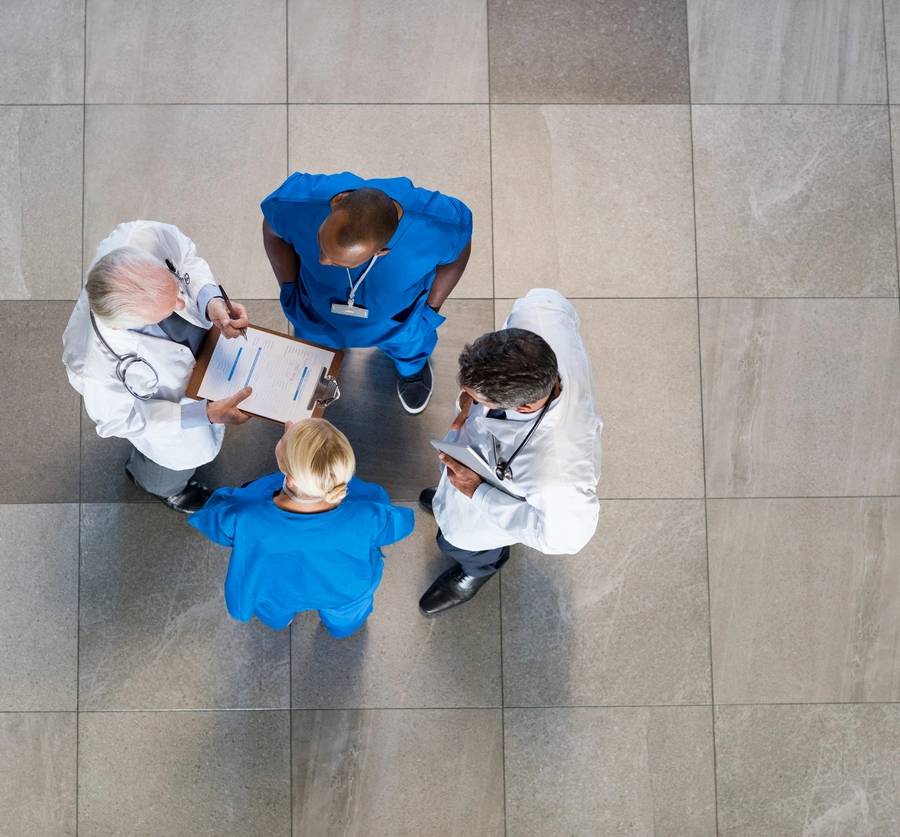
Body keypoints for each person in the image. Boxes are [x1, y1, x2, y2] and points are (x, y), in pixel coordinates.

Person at [418, 289, 603, 615]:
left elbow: (565, 539)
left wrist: (478, 493)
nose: (467, 398)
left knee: (460, 542)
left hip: (489, 508)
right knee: (450, 502)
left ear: (526, 406)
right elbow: (554, 302)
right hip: (478, 457)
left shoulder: (558, 476)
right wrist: (467, 408)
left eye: (478, 398)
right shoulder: (538, 314)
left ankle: (478, 569)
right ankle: (450, 501)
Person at [62, 220, 253, 513]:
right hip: (171, 420)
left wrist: (210, 301)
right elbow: (121, 420)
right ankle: (162, 486)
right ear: (132, 324)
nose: (182, 304)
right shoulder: (92, 366)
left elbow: (185, 258)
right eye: (168, 308)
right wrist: (204, 414)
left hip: (198, 359)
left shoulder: (139, 237)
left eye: (176, 290)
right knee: (170, 466)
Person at [260, 171, 472, 414]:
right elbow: (272, 230)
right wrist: (288, 285)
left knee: (410, 347)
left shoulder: (439, 225)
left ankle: (411, 370)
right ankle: (319, 362)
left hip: (398, 320)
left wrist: (432, 307)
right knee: (315, 345)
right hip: (316, 310)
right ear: (337, 201)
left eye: (338, 262)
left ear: (381, 251)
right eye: (322, 241)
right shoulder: (295, 202)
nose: (322, 260)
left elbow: (460, 250)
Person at [188, 418, 415, 637]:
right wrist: (295, 442)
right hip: (345, 588)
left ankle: (280, 621)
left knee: (273, 609)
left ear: (290, 479)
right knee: (347, 615)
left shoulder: (245, 513)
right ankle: (340, 629)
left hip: (275, 587)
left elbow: (213, 520)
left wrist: (293, 439)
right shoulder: (369, 510)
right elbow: (401, 524)